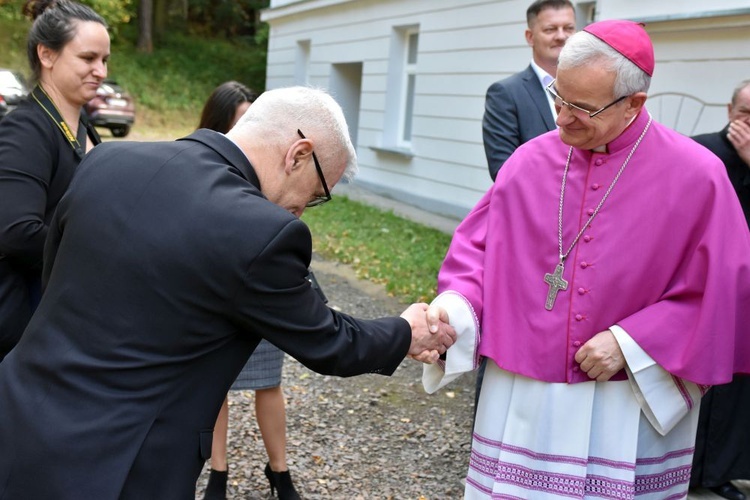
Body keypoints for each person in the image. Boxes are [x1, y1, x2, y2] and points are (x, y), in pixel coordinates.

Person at [0, 85, 456, 499]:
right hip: (116, 465)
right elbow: (329, 342)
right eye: (316, 194)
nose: (303, 212)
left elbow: (54, 269)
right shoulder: (260, 231)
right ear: (298, 153)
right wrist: (405, 330)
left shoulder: (108, 160)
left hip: (17, 417)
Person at [423, 20, 750, 498]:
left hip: (627, 395)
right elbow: (478, 255)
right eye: (559, 97)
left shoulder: (699, 176)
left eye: (581, 108)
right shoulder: (527, 162)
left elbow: (723, 289)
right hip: (524, 395)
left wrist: (633, 342)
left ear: (634, 104)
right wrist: (452, 310)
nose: (561, 118)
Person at [196, 81, 301, 500]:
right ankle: (217, 473)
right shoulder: (204, 160)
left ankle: (280, 471)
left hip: (262, 279)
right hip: (217, 282)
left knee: (268, 380)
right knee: (216, 384)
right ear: (222, 125)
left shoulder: (275, 166)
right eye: (243, 120)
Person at [0, 0, 109, 361]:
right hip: (25, 328)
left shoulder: (85, 127)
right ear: (46, 55)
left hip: (66, 318)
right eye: (88, 58)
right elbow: (16, 233)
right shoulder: (26, 128)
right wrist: (105, 250)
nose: (101, 70)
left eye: (105, 60)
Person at [689, 79, 750, 500]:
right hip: (705, 292)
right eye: (747, 113)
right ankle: (685, 471)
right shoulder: (701, 151)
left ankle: (721, 472)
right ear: (730, 112)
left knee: (737, 394)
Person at [482, 0, 576, 181]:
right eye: (550, 29)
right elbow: (503, 171)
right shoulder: (505, 94)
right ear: (530, 37)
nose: (561, 36)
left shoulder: (593, 89)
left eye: (568, 28)